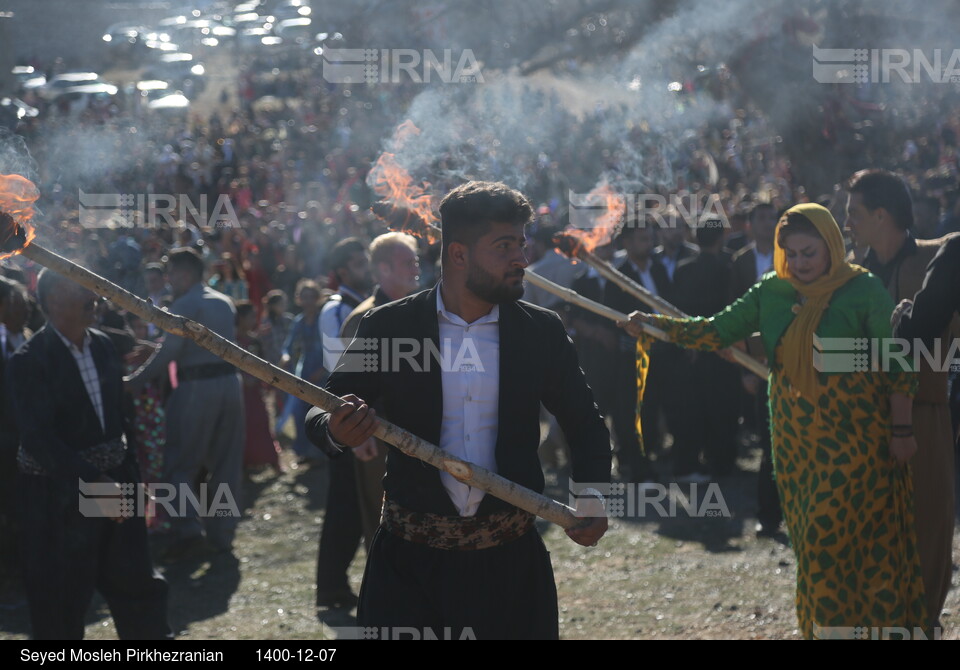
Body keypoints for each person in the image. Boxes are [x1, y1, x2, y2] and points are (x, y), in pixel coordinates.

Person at [306, 181, 610, 639]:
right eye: (504, 246)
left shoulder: (540, 332)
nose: (521, 259)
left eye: (521, 244)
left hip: (509, 566)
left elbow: (584, 423)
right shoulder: (389, 327)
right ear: (459, 254)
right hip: (409, 567)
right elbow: (324, 409)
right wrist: (337, 428)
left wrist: (590, 496)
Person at [622, 203, 928, 638]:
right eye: (792, 253)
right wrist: (656, 327)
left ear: (832, 246)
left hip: (857, 438)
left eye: (810, 253)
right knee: (812, 545)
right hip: (794, 441)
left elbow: (897, 366)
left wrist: (902, 429)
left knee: (850, 544)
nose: (800, 263)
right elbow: (715, 330)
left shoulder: (863, 290)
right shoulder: (771, 291)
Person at [7, 270, 171, 639]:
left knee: (134, 578)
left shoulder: (101, 345)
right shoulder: (29, 361)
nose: (93, 300)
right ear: (52, 302)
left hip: (115, 479)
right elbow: (37, 438)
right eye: (81, 293)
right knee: (62, 595)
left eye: (92, 293)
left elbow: (116, 417)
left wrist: (129, 475)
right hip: (61, 495)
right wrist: (95, 482)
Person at [845, 169, 958, 625]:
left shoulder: (942, 257)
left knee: (927, 530)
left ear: (881, 215)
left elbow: (931, 346)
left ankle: (922, 626)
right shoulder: (848, 279)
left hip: (925, 419)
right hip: (861, 423)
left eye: (853, 213)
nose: (846, 222)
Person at [315, 232, 421, 609]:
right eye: (407, 262)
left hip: (423, 438)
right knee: (383, 522)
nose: (416, 268)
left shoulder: (423, 311)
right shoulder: (364, 320)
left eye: (415, 260)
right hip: (379, 440)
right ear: (384, 269)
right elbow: (346, 393)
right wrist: (360, 437)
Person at [126, 247, 245, 559]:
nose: (169, 279)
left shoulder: (184, 304)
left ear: (187, 273)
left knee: (179, 463)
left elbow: (170, 354)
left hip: (196, 388)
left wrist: (135, 381)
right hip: (230, 385)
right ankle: (222, 534)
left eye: (173, 273)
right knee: (226, 464)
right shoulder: (223, 301)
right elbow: (197, 346)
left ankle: (187, 531)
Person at [730, 202, 783, 536]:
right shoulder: (741, 263)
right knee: (769, 441)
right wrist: (745, 369)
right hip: (755, 362)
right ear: (750, 224)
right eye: (761, 218)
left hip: (786, 357)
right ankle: (769, 513)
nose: (768, 224)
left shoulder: (792, 257)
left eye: (772, 218)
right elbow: (734, 319)